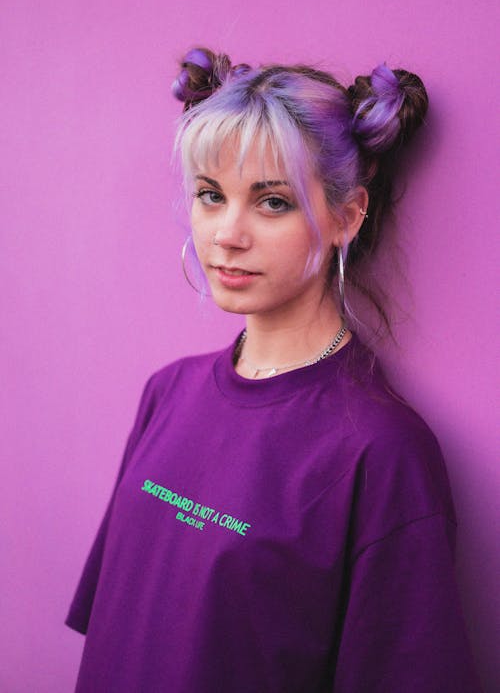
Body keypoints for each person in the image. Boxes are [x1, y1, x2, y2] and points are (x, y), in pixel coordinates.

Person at [65, 48, 480, 692]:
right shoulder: (166, 392)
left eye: (272, 202)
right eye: (210, 195)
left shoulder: (382, 452)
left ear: (346, 216)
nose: (227, 233)